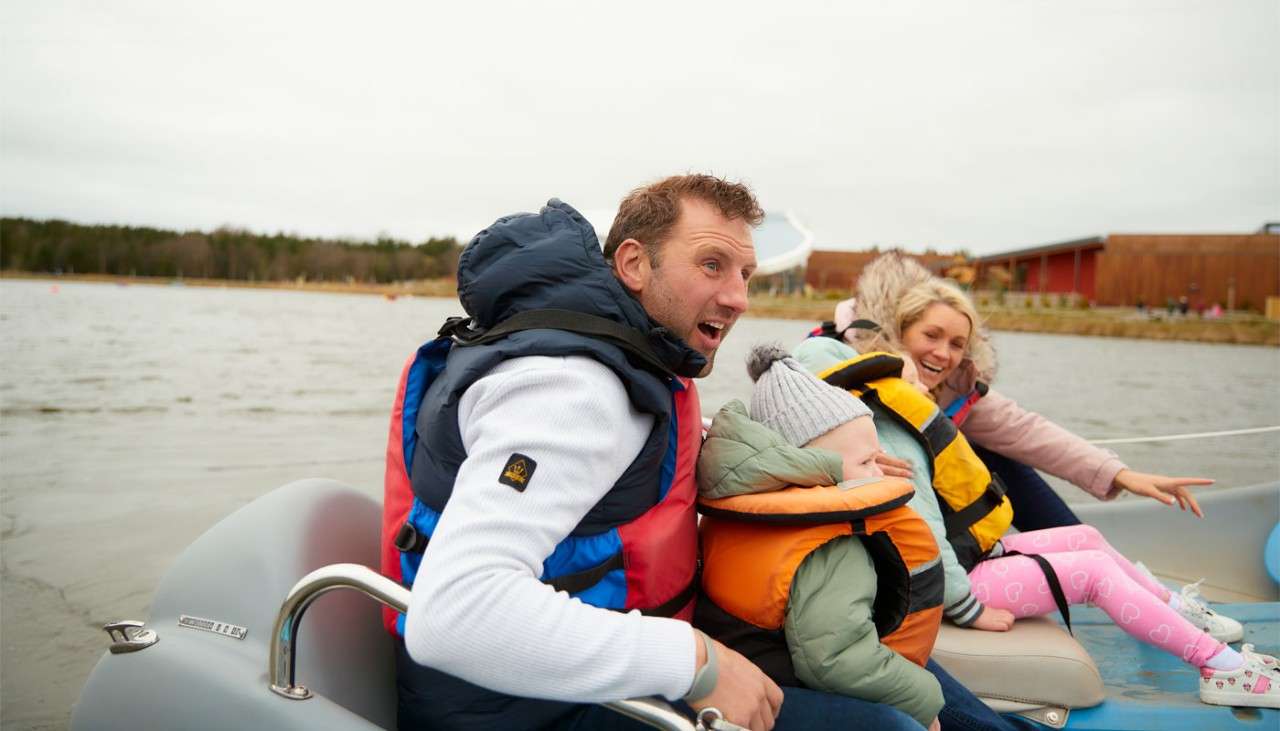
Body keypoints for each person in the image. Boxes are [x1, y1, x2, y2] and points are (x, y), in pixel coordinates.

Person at [379, 176, 929, 731]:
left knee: (898, 682)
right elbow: (455, 612)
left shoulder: (627, 358)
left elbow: (649, 455)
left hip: (582, 682)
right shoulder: (571, 390)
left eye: (745, 274)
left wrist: (830, 465)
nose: (738, 297)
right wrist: (696, 663)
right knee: (889, 726)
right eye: (712, 265)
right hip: (525, 711)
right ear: (635, 264)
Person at [789, 341, 1280, 710]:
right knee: (1091, 572)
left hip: (964, 559)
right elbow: (923, 536)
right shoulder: (886, 433)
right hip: (942, 588)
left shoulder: (868, 420)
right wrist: (968, 607)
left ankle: (1176, 610)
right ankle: (1222, 667)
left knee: (1086, 537)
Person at [826, 253, 1233, 622]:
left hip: (941, 530)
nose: (942, 354)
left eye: (956, 344)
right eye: (930, 336)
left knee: (1001, 457)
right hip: (877, 535)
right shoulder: (850, 369)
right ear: (901, 330)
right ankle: (1104, 574)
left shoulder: (956, 387)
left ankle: (1129, 582)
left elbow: (1028, 430)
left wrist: (1121, 474)